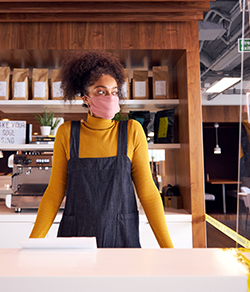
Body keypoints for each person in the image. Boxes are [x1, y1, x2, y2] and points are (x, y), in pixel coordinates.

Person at [29, 50, 173, 248]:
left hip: (121, 235)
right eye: (101, 91)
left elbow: (148, 192)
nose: (110, 97)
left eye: (114, 92)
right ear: (85, 98)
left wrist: (168, 248)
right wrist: (32, 244)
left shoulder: (132, 130)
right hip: (76, 238)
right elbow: (54, 192)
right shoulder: (67, 133)